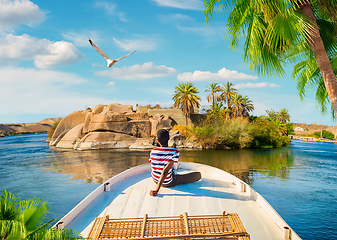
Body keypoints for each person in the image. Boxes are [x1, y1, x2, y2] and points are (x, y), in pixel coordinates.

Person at [149, 129, 201, 196]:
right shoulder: (174, 151)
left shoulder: (153, 151)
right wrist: (157, 190)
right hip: (167, 182)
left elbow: (154, 165)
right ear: (169, 138)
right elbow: (165, 171)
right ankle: (198, 175)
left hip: (155, 179)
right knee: (197, 175)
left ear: (158, 141)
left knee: (169, 167)